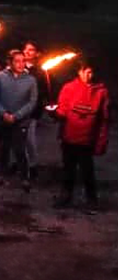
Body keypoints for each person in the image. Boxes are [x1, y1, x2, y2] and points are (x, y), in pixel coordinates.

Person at [53, 60, 109, 212]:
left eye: (91, 72)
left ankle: (91, 199)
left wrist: (101, 140)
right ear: (79, 72)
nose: (88, 75)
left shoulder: (100, 91)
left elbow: (104, 118)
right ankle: (66, 195)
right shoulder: (69, 88)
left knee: (87, 170)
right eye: (85, 71)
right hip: (69, 137)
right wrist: (54, 112)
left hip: (87, 139)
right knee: (68, 168)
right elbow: (62, 111)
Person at [0, 50, 38, 191]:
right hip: (0, 120)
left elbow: (32, 102)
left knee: (20, 148)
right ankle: (0, 175)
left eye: (23, 61)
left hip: (20, 121)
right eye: (17, 61)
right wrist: (3, 113)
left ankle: (24, 178)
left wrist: (17, 116)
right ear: (10, 62)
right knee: (3, 147)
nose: (21, 64)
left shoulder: (30, 80)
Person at [22, 41, 51, 181]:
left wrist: (47, 102)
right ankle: (20, 162)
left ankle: (32, 165)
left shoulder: (41, 72)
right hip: (15, 108)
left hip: (31, 110)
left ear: (37, 53)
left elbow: (45, 91)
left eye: (31, 50)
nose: (27, 52)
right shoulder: (17, 66)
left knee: (29, 138)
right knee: (16, 138)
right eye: (25, 49)